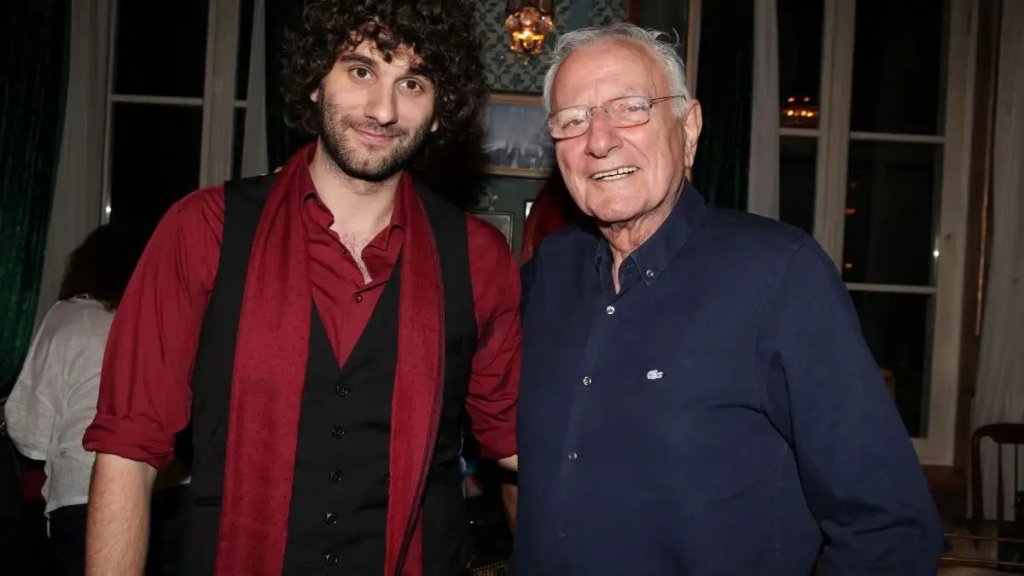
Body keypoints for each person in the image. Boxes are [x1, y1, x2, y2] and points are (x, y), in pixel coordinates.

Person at [82, 1, 520, 575]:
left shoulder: (479, 257)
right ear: (316, 81)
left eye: (412, 83)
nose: (383, 109)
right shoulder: (204, 229)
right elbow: (127, 449)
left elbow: (518, 444)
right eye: (360, 70)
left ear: (440, 111)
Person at [514, 23, 942, 576]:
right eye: (573, 120)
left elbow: (889, 528)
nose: (599, 140)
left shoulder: (779, 274)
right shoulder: (550, 273)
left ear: (688, 127)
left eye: (631, 108)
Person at [4, 224, 149, 575]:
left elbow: (30, 433)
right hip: (158, 489)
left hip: (83, 492)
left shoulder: (68, 316)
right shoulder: (154, 320)